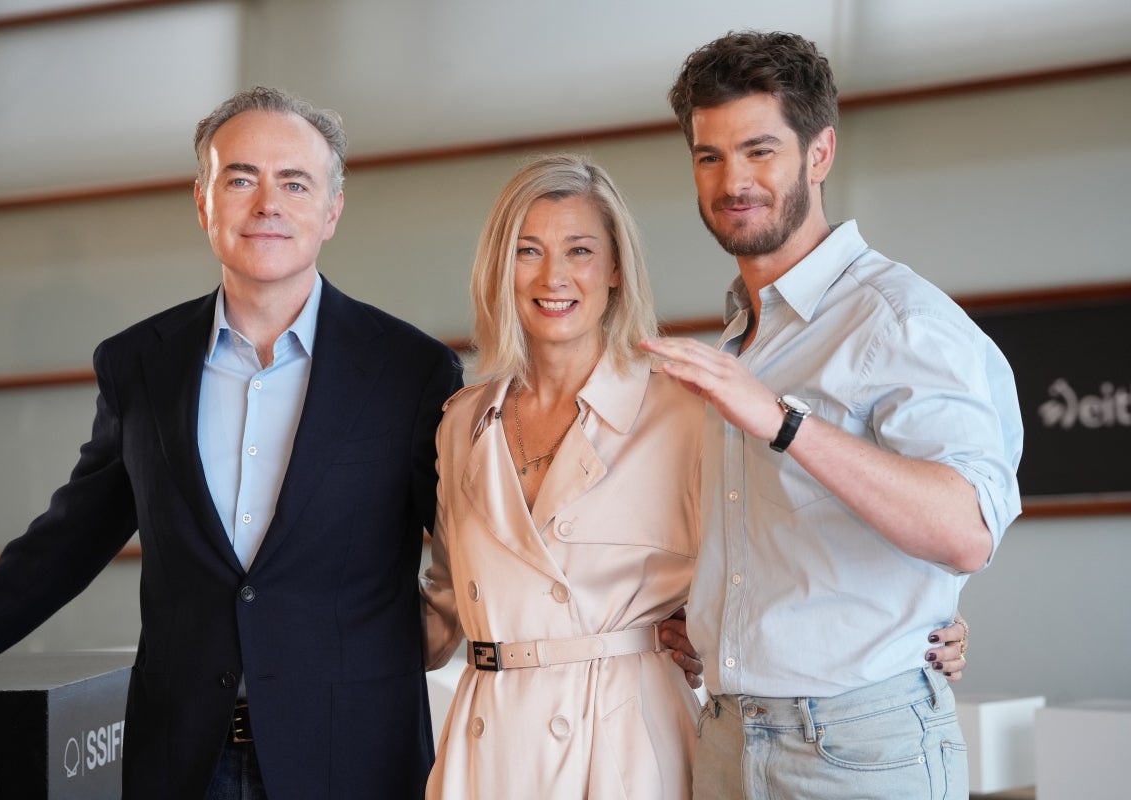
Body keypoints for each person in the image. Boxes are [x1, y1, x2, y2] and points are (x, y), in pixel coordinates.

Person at [0, 87, 462, 799]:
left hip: (353, 759)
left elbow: (475, 548)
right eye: (240, 178)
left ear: (331, 209)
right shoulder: (140, 366)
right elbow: (56, 557)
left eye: (294, 182)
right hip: (182, 762)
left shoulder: (410, 370)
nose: (267, 204)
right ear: (203, 200)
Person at [419, 154, 970, 799]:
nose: (554, 277)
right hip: (489, 746)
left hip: (626, 742)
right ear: (499, 266)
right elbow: (445, 597)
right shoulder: (462, 422)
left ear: (617, 267)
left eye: (579, 250)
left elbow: (784, 549)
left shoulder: (685, 409)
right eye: (528, 251)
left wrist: (922, 627)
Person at [640, 31, 1023, 799]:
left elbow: (966, 531)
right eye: (708, 156)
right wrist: (705, 615)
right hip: (724, 735)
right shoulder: (739, 336)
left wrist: (782, 420)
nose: (731, 181)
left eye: (759, 151)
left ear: (819, 155)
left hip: (856, 747)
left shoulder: (899, 319)